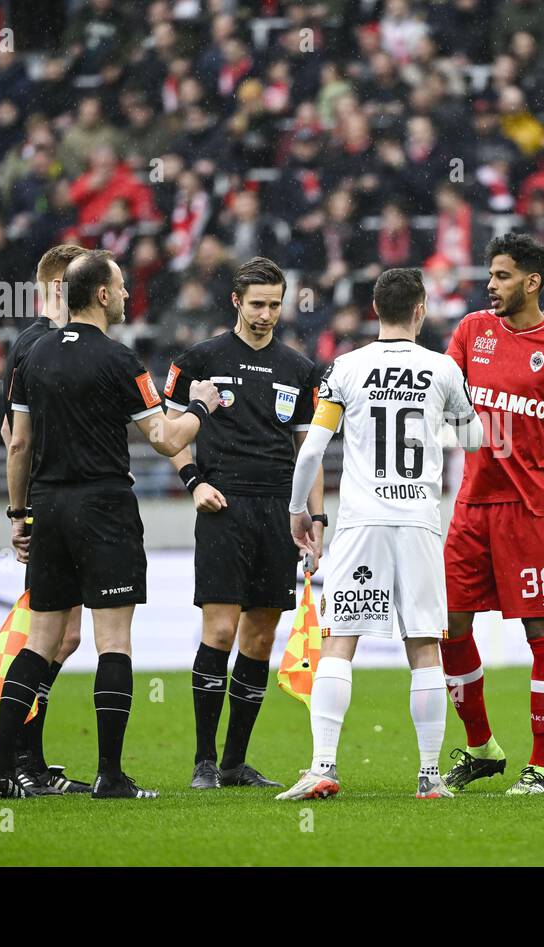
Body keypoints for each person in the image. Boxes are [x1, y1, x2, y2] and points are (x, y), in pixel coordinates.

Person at [0, 250, 220, 800]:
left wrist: (19, 514)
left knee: (38, 644)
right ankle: (111, 775)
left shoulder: (32, 355)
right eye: (122, 286)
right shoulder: (120, 360)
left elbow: (17, 441)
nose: (130, 295)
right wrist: (201, 407)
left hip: (48, 507)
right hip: (104, 507)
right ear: (102, 295)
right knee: (113, 642)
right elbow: (164, 439)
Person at [278, 267, 483, 800]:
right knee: (424, 648)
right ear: (420, 311)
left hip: (361, 521)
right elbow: (478, 439)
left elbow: (310, 452)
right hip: (417, 520)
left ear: (375, 310)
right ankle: (430, 777)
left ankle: (323, 764)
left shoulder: (346, 368)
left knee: (339, 641)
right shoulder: (443, 369)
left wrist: (299, 509)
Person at [440, 233, 544, 796]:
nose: (491, 285)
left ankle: (539, 766)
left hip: (531, 511)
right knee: (449, 625)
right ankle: (483, 746)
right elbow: (436, 396)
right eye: (490, 274)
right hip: (470, 507)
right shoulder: (470, 333)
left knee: (542, 630)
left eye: (503, 276)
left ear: (532, 282)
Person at [160, 257, 324, 790]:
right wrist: (193, 482)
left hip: (278, 510)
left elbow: (310, 451)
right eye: (257, 304)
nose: (266, 314)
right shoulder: (200, 359)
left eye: (275, 304)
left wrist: (314, 515)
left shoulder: (299, 368)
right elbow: (168, 432)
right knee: (221, 631)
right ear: (236, 300)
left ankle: (234, 763)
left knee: (259, 638)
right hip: (223, 507)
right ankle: (203, 761)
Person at [0, 243, 90, 795]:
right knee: (48, 637)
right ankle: (16, 761)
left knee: (61, 637)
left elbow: (8, 429)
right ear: (58, 287)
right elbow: (15, 438)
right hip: (58, 504)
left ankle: (23, 759)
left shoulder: (31, 343)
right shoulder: (43, 342)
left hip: (50, 503)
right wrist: (21, 513)